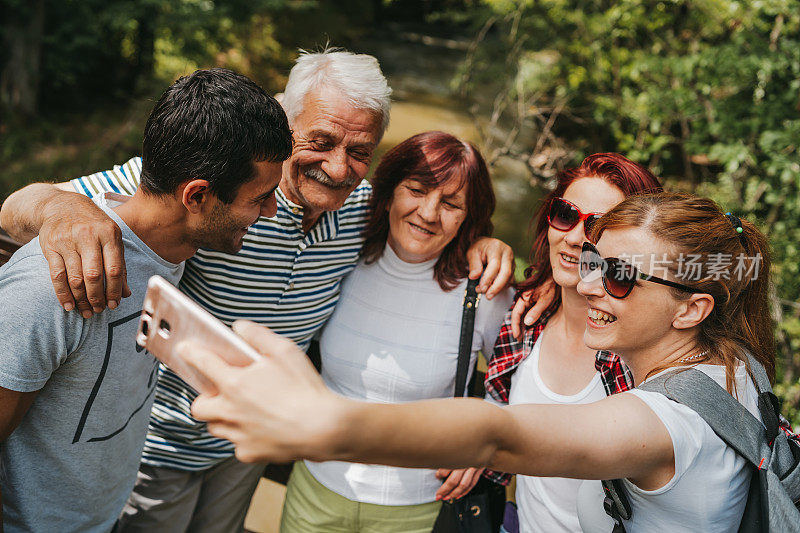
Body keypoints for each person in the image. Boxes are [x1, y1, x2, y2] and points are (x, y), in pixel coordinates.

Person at [0, 48, 514, 531]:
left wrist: (480, 243)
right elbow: (22, 207)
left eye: (360, 152)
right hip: (157, 447)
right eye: (320, 142)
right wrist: (61, 209)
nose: (339, 169)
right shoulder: (222, 188)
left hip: (249, 447)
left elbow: (425, 221)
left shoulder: (365, 210)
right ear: (283, 124)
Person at [179, 191, 777, 532]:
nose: (590, 284)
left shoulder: (666, 423)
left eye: (619, 276)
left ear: (692, 308)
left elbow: (498, 437)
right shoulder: (737, 362)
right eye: (594, 261)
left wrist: (327, 422)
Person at [0, 68, 292, 532]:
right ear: (196, 195)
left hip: (108, 514)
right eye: (260, 198)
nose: (271, 211)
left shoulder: (172, 247)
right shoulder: (58, 280)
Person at [279, 131, 514, 532]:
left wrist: (487, 444)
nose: (428, 212)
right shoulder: (343, 255)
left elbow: (519, 379)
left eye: (451, 204)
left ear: (468, 217)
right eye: (417, 190)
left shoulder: (483, 291)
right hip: (314, 493)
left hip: (420, 508)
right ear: (388, 192)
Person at [480, 153, 661, 532]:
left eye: (598, 227)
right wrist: (480, 244)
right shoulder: (523, 318)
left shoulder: (648, 353)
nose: (575, 237)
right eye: (566, 214)